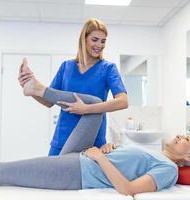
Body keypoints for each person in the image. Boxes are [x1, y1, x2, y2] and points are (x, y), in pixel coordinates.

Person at [0, 76, 190, 196]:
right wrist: (110, 148)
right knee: (93, 104)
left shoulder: (168, 169)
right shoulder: (156, 154)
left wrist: (98, 159)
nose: (182, 136)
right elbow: (127, 165)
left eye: (187, 140)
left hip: (78, 170)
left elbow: (128, 190)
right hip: (84, 156)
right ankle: (38, 89)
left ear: (189, 158)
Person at [18, 18, 128, 156]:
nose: (99, 45)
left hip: (92, 140)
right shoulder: (66, 67)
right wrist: (31, 92)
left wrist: (87, 109)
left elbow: (123, 101)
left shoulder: (108, 68)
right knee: (52, 176)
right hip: (63, 136)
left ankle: (37, 86)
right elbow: (48, 101)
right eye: (95, 39)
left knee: (83, 178)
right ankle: (35, 87)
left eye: (103, 41)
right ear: (84, 39)